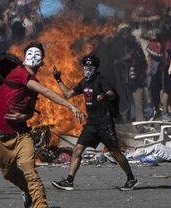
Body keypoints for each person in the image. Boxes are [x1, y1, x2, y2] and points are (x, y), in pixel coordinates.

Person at [0, 42, 84, 208]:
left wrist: (21, 116)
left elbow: (30, 112)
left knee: (30, 171)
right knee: (8, 174)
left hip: (21, 136)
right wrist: (70, 105)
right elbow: (47, 91)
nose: (34, 59)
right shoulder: (19, 74)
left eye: (37, 56)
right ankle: (27, 191)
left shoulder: (32, 85)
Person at [51, 54, 139, 191]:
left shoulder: (101, 80)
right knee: (77, 150)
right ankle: (69, 181)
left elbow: (112, 94)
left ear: (95, 68)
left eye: (90, 67)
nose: (87, 69)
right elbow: (68, 94)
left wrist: (104, 95)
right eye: (85, 66)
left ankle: (131, 179)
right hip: (91, 124)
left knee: (115, 153)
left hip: (105, 123)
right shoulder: (83, 83)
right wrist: (58, 79)